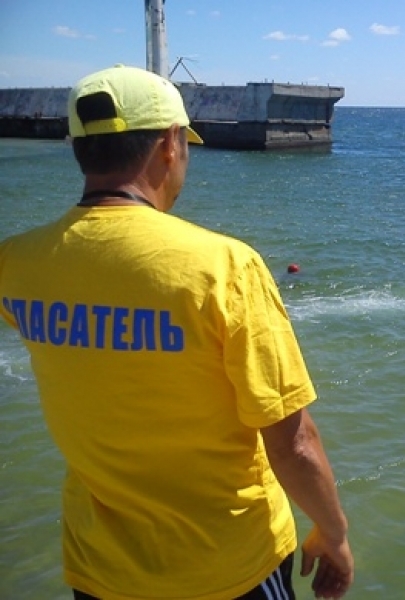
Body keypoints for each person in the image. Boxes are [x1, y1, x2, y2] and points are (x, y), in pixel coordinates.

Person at [0, 65, 353, 600]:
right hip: (229, 567)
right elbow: (294, 443)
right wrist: (334, 533)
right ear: (169, 144)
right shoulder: (225, 266)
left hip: (102, 570)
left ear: (78, 148)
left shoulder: (17, 263)